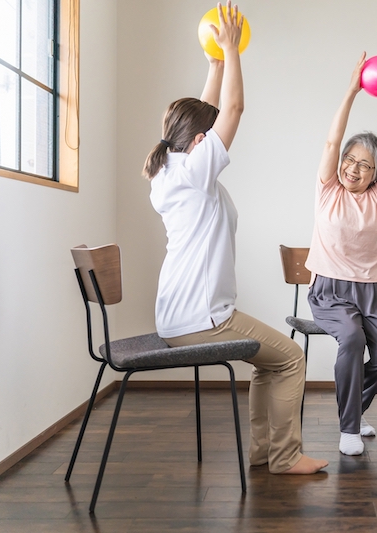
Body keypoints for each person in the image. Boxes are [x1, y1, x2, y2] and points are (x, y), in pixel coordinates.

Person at [142, 1, 327, 475]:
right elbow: (234, 107)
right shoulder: (196, 171)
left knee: (270, 363)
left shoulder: (171, 167)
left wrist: (216, 63)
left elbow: (206, 116)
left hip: (177, 316)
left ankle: (265, 453)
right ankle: (285, 457)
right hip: (203, 319)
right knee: (289, 358)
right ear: (202, 141)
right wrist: (232, 52)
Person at [305, 53, 377, 456]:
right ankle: (349, 426)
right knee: (350, 336)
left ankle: (353, 407)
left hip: (376, 291)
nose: (352, 168)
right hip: (330, 290)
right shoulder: (328, 188)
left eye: (364, 165)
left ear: (376, 175)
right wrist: (351, 91)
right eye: (350, 160)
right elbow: (332, 140)